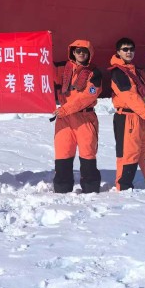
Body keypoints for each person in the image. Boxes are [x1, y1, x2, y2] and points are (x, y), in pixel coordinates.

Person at [109, 37, 145, 191]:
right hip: (127, 118)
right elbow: (133, 99)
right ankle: (124, 188)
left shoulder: (135, 71)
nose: (129, 52)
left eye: (131, 49)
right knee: (128, 154)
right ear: (118, 52)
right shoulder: (118, 73)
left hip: (140, 117)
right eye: (125, 49)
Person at [52, 40, 102, 193]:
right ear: (73, 52)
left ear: (89, 54)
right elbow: (43, 70)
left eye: (84, 51)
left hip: (85, 118)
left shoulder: (94, 73)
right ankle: (62, 188)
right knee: (63, 152)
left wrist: (66, 109)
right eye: (78, 50)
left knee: (87, 153)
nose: (81, 53)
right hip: (64, 119)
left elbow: (88, 96)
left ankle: (91, 188)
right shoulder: (61, 68)